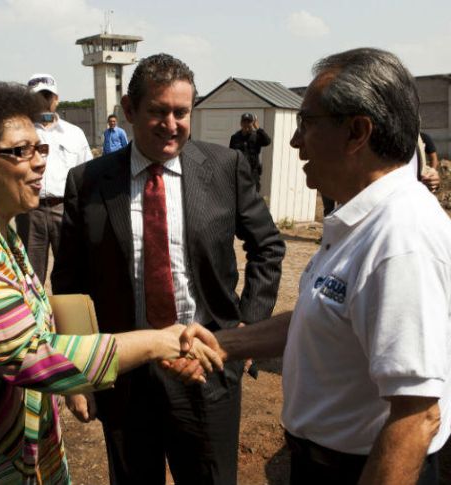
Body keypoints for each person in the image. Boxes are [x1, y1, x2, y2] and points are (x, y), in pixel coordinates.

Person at [0, 81, 221, 485]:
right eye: (20, 151)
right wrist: (156, 340)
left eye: (40, 148)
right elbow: (28, 355)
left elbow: (36, 318)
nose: (39, 162)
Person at [169, 47, 451, 485]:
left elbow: (415, 416)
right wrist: (224, 344)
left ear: (357, 132)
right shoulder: (362, 220)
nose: (295, 141)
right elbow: (320, 314)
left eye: (307, 124)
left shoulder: (401, 240)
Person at [52, 53, 286, 485]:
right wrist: (78, 374)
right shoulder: (87, 182)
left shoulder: (224, 168)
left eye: (181, 112)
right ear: (129, 110)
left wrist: (244, 332)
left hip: (205, 367)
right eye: (158, 111)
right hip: (125, 374)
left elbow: (268, 247)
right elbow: (69, 281)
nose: (172, 123)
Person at [15, 73, 93, 285]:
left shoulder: (74, 134)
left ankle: (70, 317)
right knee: (29, 275)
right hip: (30, 211)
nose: (43, 101)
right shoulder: (18, 133)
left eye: (47, 95)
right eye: (37, 96)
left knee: (71, 272)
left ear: (56, 98)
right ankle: (35, 317)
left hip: (66, 209)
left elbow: (87, 175)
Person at [228, 112, 271, 192]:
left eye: (249, 122)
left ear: (252, 123)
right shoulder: (235, 138)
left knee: (253, 198)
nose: (246, 124)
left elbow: (267, 141)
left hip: (253, 174)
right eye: (244, 122)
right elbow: (231, 155)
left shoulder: (257, 136)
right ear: (241, 123)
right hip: (239, 174)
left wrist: (258, 129)